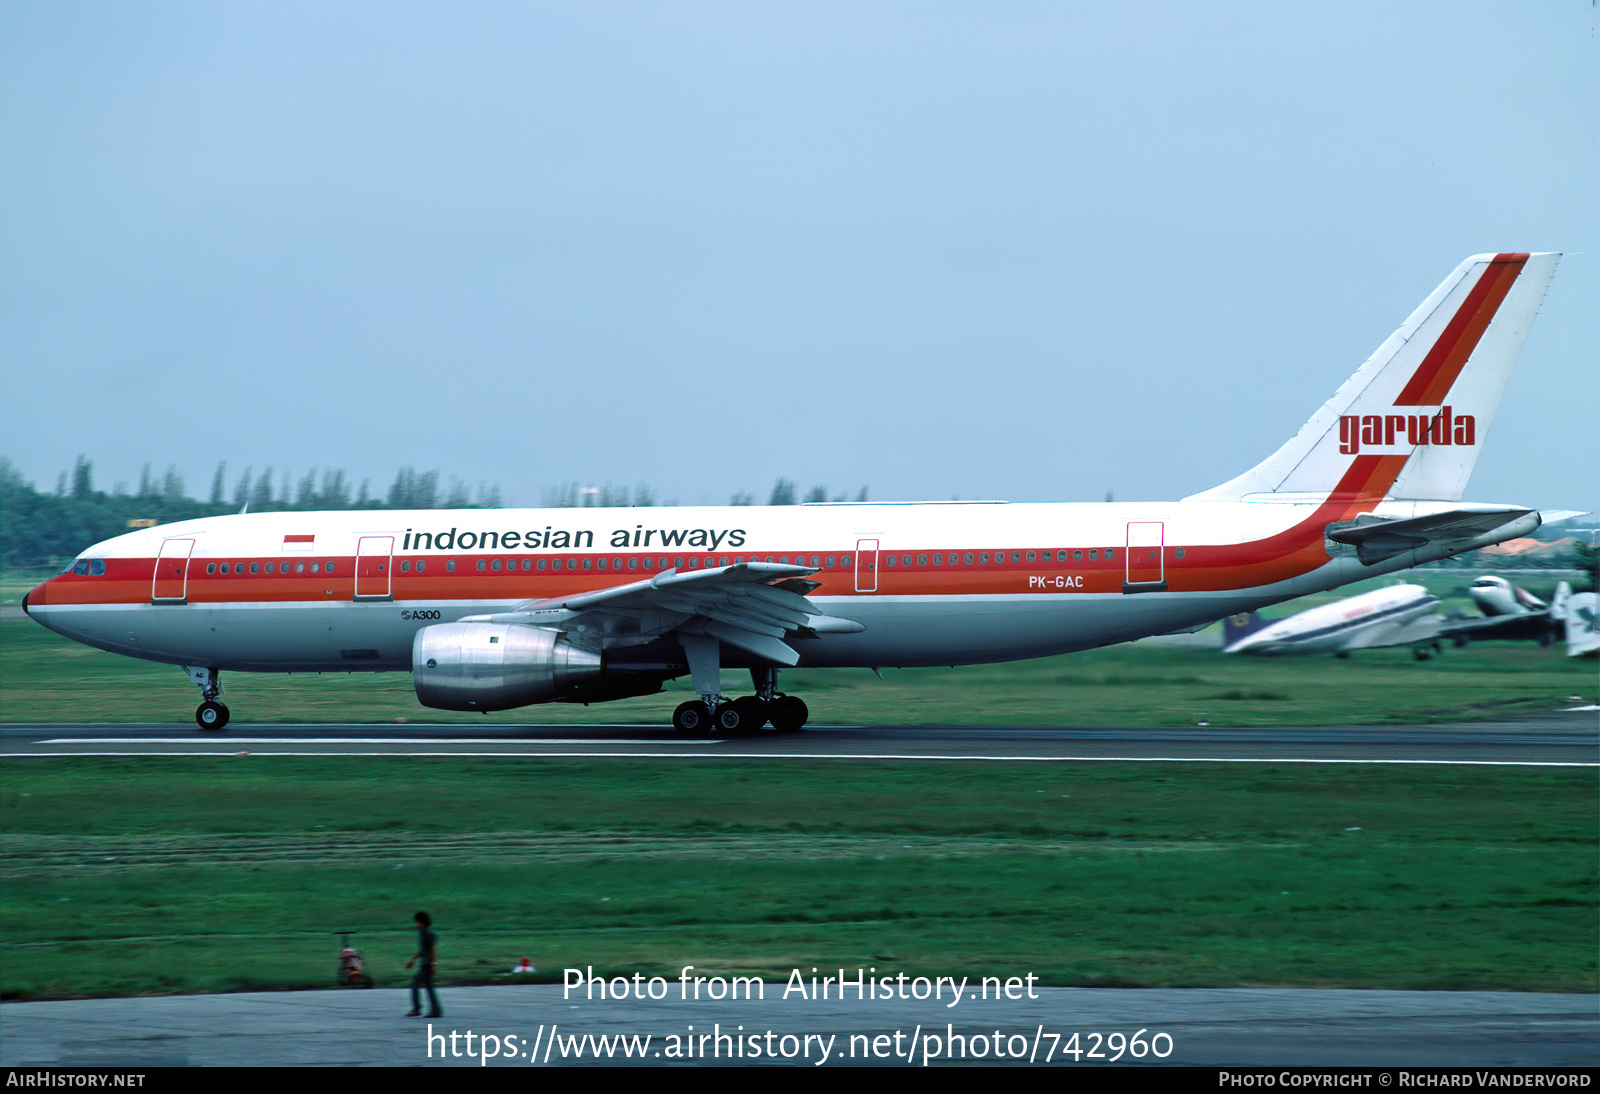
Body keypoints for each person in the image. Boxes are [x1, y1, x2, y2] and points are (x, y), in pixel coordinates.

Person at [404, 911, 442, 1017]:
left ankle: (417, 1008)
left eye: (418, 922)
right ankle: (436, 1011)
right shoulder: (422, 933)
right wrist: (412, 960)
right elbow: (422, 950)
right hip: (425, 964)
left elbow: (433, 949)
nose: (416, 925)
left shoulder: (429, 934)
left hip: (427, 965)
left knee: (415, 984)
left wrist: (434, 964)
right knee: (429, 987)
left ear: (423, 922)